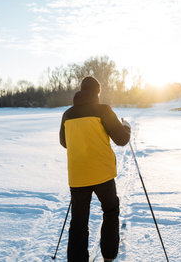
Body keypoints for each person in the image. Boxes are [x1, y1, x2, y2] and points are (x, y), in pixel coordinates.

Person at [59, 76, 131, 262]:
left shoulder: (67, 114)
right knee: (110, 210)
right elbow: (121, 139)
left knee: (78, 223)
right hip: (103, 174)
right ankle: (108, 256)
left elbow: (64, 142)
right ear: (97, 93)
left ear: (81, 91)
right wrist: (126, 127)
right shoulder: (103, 110)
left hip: (78, 176)